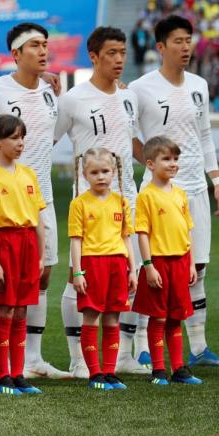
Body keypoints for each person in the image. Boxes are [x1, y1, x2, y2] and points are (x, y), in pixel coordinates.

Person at [129, 15, 219, 369]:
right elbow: (129, 135)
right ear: (160, 47)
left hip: (193, 189)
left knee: (196, 267)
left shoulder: (199, 85)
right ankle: (143, 346)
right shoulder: (141, 88)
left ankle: (199, 347)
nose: (186, 47)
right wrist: (151, 167)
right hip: (157, 193)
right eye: (178, 41)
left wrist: (216, 182)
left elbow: (204, 136)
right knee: (153, 266)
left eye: (188, 40)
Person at [55, 26, 146, 378]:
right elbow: (47, 139)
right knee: (76, 280)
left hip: (126, 199)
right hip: (88, 204)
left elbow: (130, 140)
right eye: (111, 53)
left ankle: (121, 357)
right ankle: (78, 358)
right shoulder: (73, 99)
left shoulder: (129, 97)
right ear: (93, 56)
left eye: (122, 52)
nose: (119, 59)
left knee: (127, 277)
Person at [0, 22, 69, 380]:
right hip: (6, 201)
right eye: (34, 45)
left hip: (41, 195)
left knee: (43, 274)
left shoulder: (51, 91)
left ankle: (32, 359)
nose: (43, 50)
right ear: (16, 54)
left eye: (45, 45)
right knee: (4, 285)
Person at [0, 114, 46, 395]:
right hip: (5, 244)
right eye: (14, 138)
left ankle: (18, 373)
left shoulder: (28, 174)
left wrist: (41, 255)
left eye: (22, 137)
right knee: (5, 307)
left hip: (28, 243)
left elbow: (38, 218)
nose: (20, 144)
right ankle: (3, 373)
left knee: (21, 309)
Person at [132, 137, 203, 386]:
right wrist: (148, 265)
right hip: (159, 263)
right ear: (150, 164)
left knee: (176, 317)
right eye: (166, 159)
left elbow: (187, 231)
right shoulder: (146, 196)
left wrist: (192, 263)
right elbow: (142, 233)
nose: (173, 164)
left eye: (175, 159)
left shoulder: (181, 194)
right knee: (159, 317)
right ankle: (159, 369)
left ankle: (179, 368)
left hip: (181, 263)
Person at [67, 148, 138, 391]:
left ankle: (109, 371)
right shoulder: (79, 203)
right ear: (85, 174)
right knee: (91, 316)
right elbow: (76, 240)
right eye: (94, 172)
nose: (100, 177)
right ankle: (94, 373)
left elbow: (126, 237)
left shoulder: (121, 202)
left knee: (113, 317)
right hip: (92, 264)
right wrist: (77, 272)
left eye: (105, 171)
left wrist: (133, 269)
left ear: (113, 171)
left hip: (117, 264)